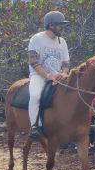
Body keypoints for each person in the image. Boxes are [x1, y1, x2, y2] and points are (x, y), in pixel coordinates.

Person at [28, 11, 70, 139]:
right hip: (39, 75)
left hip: (58, 76)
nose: (62, 28)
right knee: (35, 96)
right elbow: (33, 61)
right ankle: (35, 126)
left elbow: (66, 63)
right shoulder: (37, 39)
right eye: (60, 25)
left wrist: (63, 74)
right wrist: (49, 76)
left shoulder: (62, 41)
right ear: (51, 25)